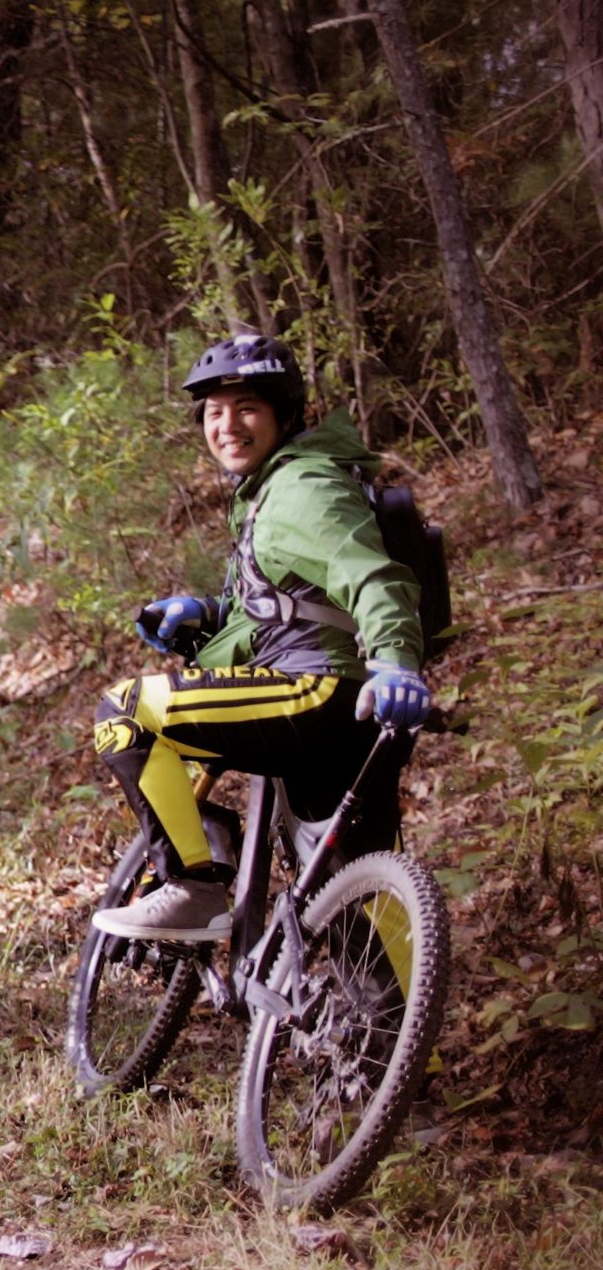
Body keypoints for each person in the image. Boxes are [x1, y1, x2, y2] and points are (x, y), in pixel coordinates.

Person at [90, 333, 430, 941]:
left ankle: (194, 885)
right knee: (353, 901)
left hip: (316, 693)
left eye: (246, 407)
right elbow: (299, 605)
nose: (228, 426)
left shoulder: (302, 488)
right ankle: (398, 1036)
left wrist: (396, 660)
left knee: (127, 711)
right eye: (214, 413)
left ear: (285, 413)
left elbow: (372, 576)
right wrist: (210, 614)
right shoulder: (282, 487)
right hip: (353, 708)